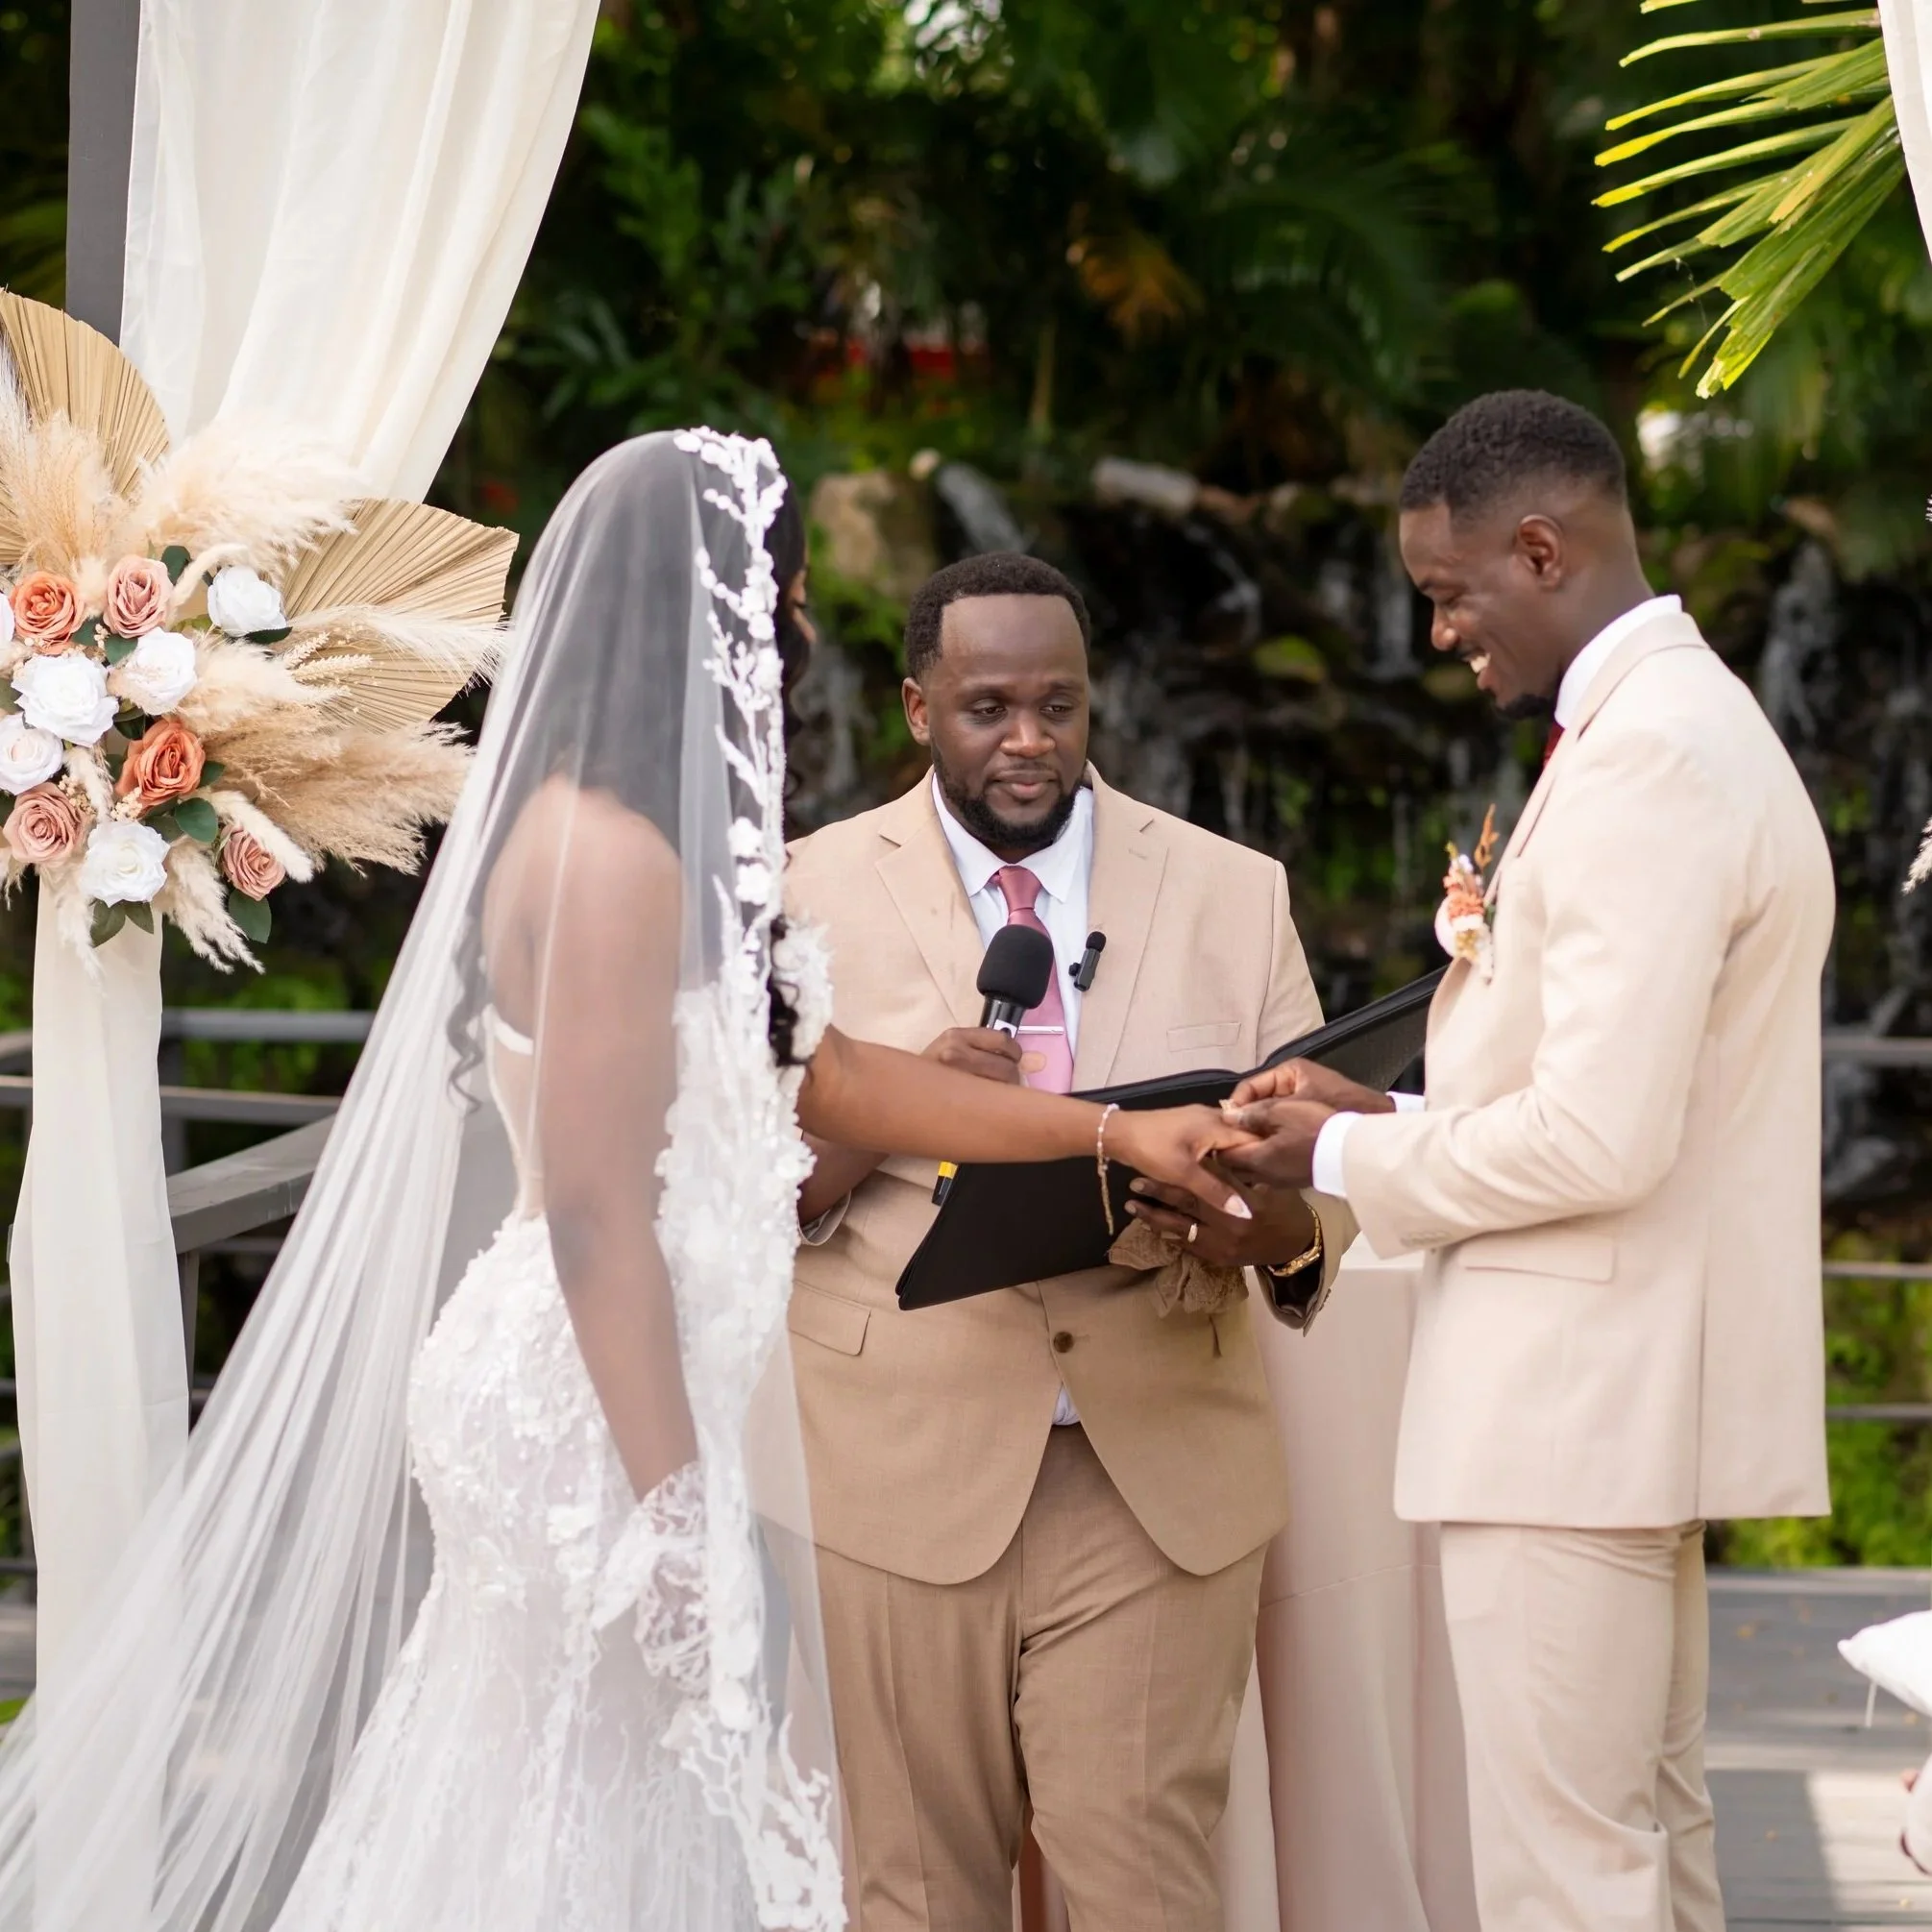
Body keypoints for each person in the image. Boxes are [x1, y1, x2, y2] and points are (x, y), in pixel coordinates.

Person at [0, 430, 1255, 1932]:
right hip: (590, 1401)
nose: (798, 635)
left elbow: (837, 1075)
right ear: (706, 616)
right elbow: (601, 1215)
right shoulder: (609, 857)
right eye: (785, 600)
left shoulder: (645, 836)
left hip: (622, 1372)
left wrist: (1111, 1135)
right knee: (580, 1817)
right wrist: (679, 1516)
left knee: (563, 1801)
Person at [1218, 389, 1834, 1932]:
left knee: (1564, 1875)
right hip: (1615, 1402)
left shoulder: (1649, 760)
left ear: (1541, 550)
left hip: (1571, 1411)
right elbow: (1610, 1092)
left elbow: (1595, 1136)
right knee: (1644, 1845)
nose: (1440, 635)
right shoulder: (1681, 723)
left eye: (1449, 593)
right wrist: (1384, 1117)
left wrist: (1341, 1151)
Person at [784, 551, 1356, 1932]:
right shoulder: (798, 887)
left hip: (1156, 1468)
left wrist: (1253, 1229)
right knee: (913, 1893)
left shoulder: (1235, 890)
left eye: (1059, 705)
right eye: (988, 709)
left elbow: (1318, 1201)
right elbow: (748, 1191)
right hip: (897, 1463)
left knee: (1147, 1893)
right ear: (917, 707)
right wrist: (897, 1100)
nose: (1029, 740)